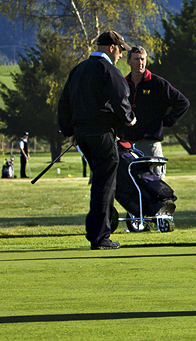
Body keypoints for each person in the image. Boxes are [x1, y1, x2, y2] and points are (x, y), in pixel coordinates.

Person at [58, 30, 137, 250]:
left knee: (100, 184)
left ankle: (96, 231)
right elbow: (121, 100)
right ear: (112, 48)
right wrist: (130, 120)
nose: (121, 55)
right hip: (102, 134)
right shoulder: (109, 71)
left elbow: (64, 103)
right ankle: (100, 237)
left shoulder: (78, 70)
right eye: (120, 50)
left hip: (82, 136)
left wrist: (69, 132)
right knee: (106, 185)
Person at [123, 45, 190, 177]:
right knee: (131, 183)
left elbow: (183, 103)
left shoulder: (157, 83)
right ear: (128, 61)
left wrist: (166, 121)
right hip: (128, 143)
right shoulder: (123, 84)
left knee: (155, 183)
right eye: (136, 59)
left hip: (150, 143)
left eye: (143, 59)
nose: (140, 63)